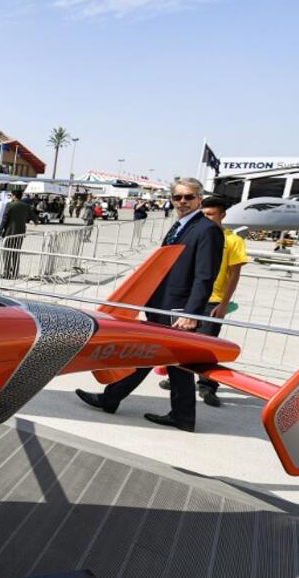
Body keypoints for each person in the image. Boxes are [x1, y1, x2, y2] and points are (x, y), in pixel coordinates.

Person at [75, 177, 225, 432]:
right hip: (161, 305)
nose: (182, 202)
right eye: (177, 197)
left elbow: (205, 277)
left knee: (176, 363)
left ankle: (181, 416)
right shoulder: (180, 226)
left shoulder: (207, 229)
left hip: (178, 310)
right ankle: (114, 398)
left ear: (200, 198)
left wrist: (191, 313)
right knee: (150, 354)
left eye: (189, 197)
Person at [170, 195, 248, 408]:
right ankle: (178, 377)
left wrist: (223, 304)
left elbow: (234, 275)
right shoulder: (195, 234)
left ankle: (207, 386)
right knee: (181, 343)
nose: (207, 218)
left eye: (211, 214)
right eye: (203, 214)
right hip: (188, 299)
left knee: (206, 347)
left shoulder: (232, 240)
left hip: (213, 302)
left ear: (223, 215)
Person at [0, 191, 33, 279]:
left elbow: (4, 219)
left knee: (7, 253)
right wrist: (36, 221)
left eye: (11, 195)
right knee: (16, 253)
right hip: (20, 233)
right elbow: (32, 216)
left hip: (9, 233)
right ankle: (15, 272)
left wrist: (0, 231)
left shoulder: (10, 205)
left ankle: (6, 272)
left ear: (14, 196)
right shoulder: (25, 206)